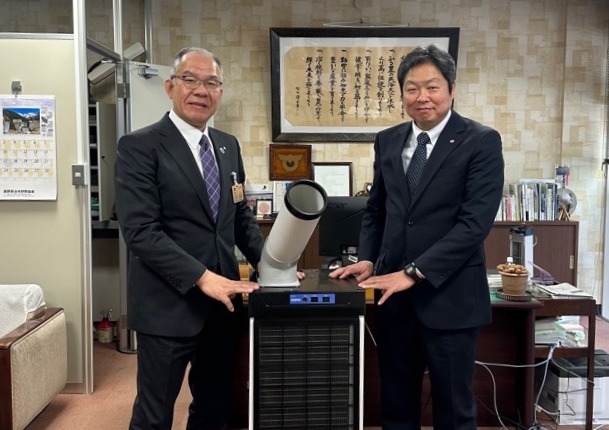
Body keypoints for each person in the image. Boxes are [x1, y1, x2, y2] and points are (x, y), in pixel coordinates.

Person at [330, 44, 504, 429]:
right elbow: (377, 209)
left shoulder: (481, 141)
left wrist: (413, 273)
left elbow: (474, 225)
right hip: (394, 301)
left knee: (454, 410)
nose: (422, 96)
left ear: (452, 89)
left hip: (450, 296)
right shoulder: (388, 140)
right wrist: (368, 257)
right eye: (412, 88)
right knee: (396, 406)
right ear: (402, 93)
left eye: (432, 87)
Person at [115, 47, 264, 430]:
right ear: (170, 87)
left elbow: (239, 216)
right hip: (167, 303)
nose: (201, 90)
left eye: (211, 83)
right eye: (190, 80)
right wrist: (202, 277)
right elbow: (141, 232)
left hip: (222, 305)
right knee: (154, 414)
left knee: (214, 406)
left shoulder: (227, 146)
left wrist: (270, 263)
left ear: (220, 92)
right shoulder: (140, 146)